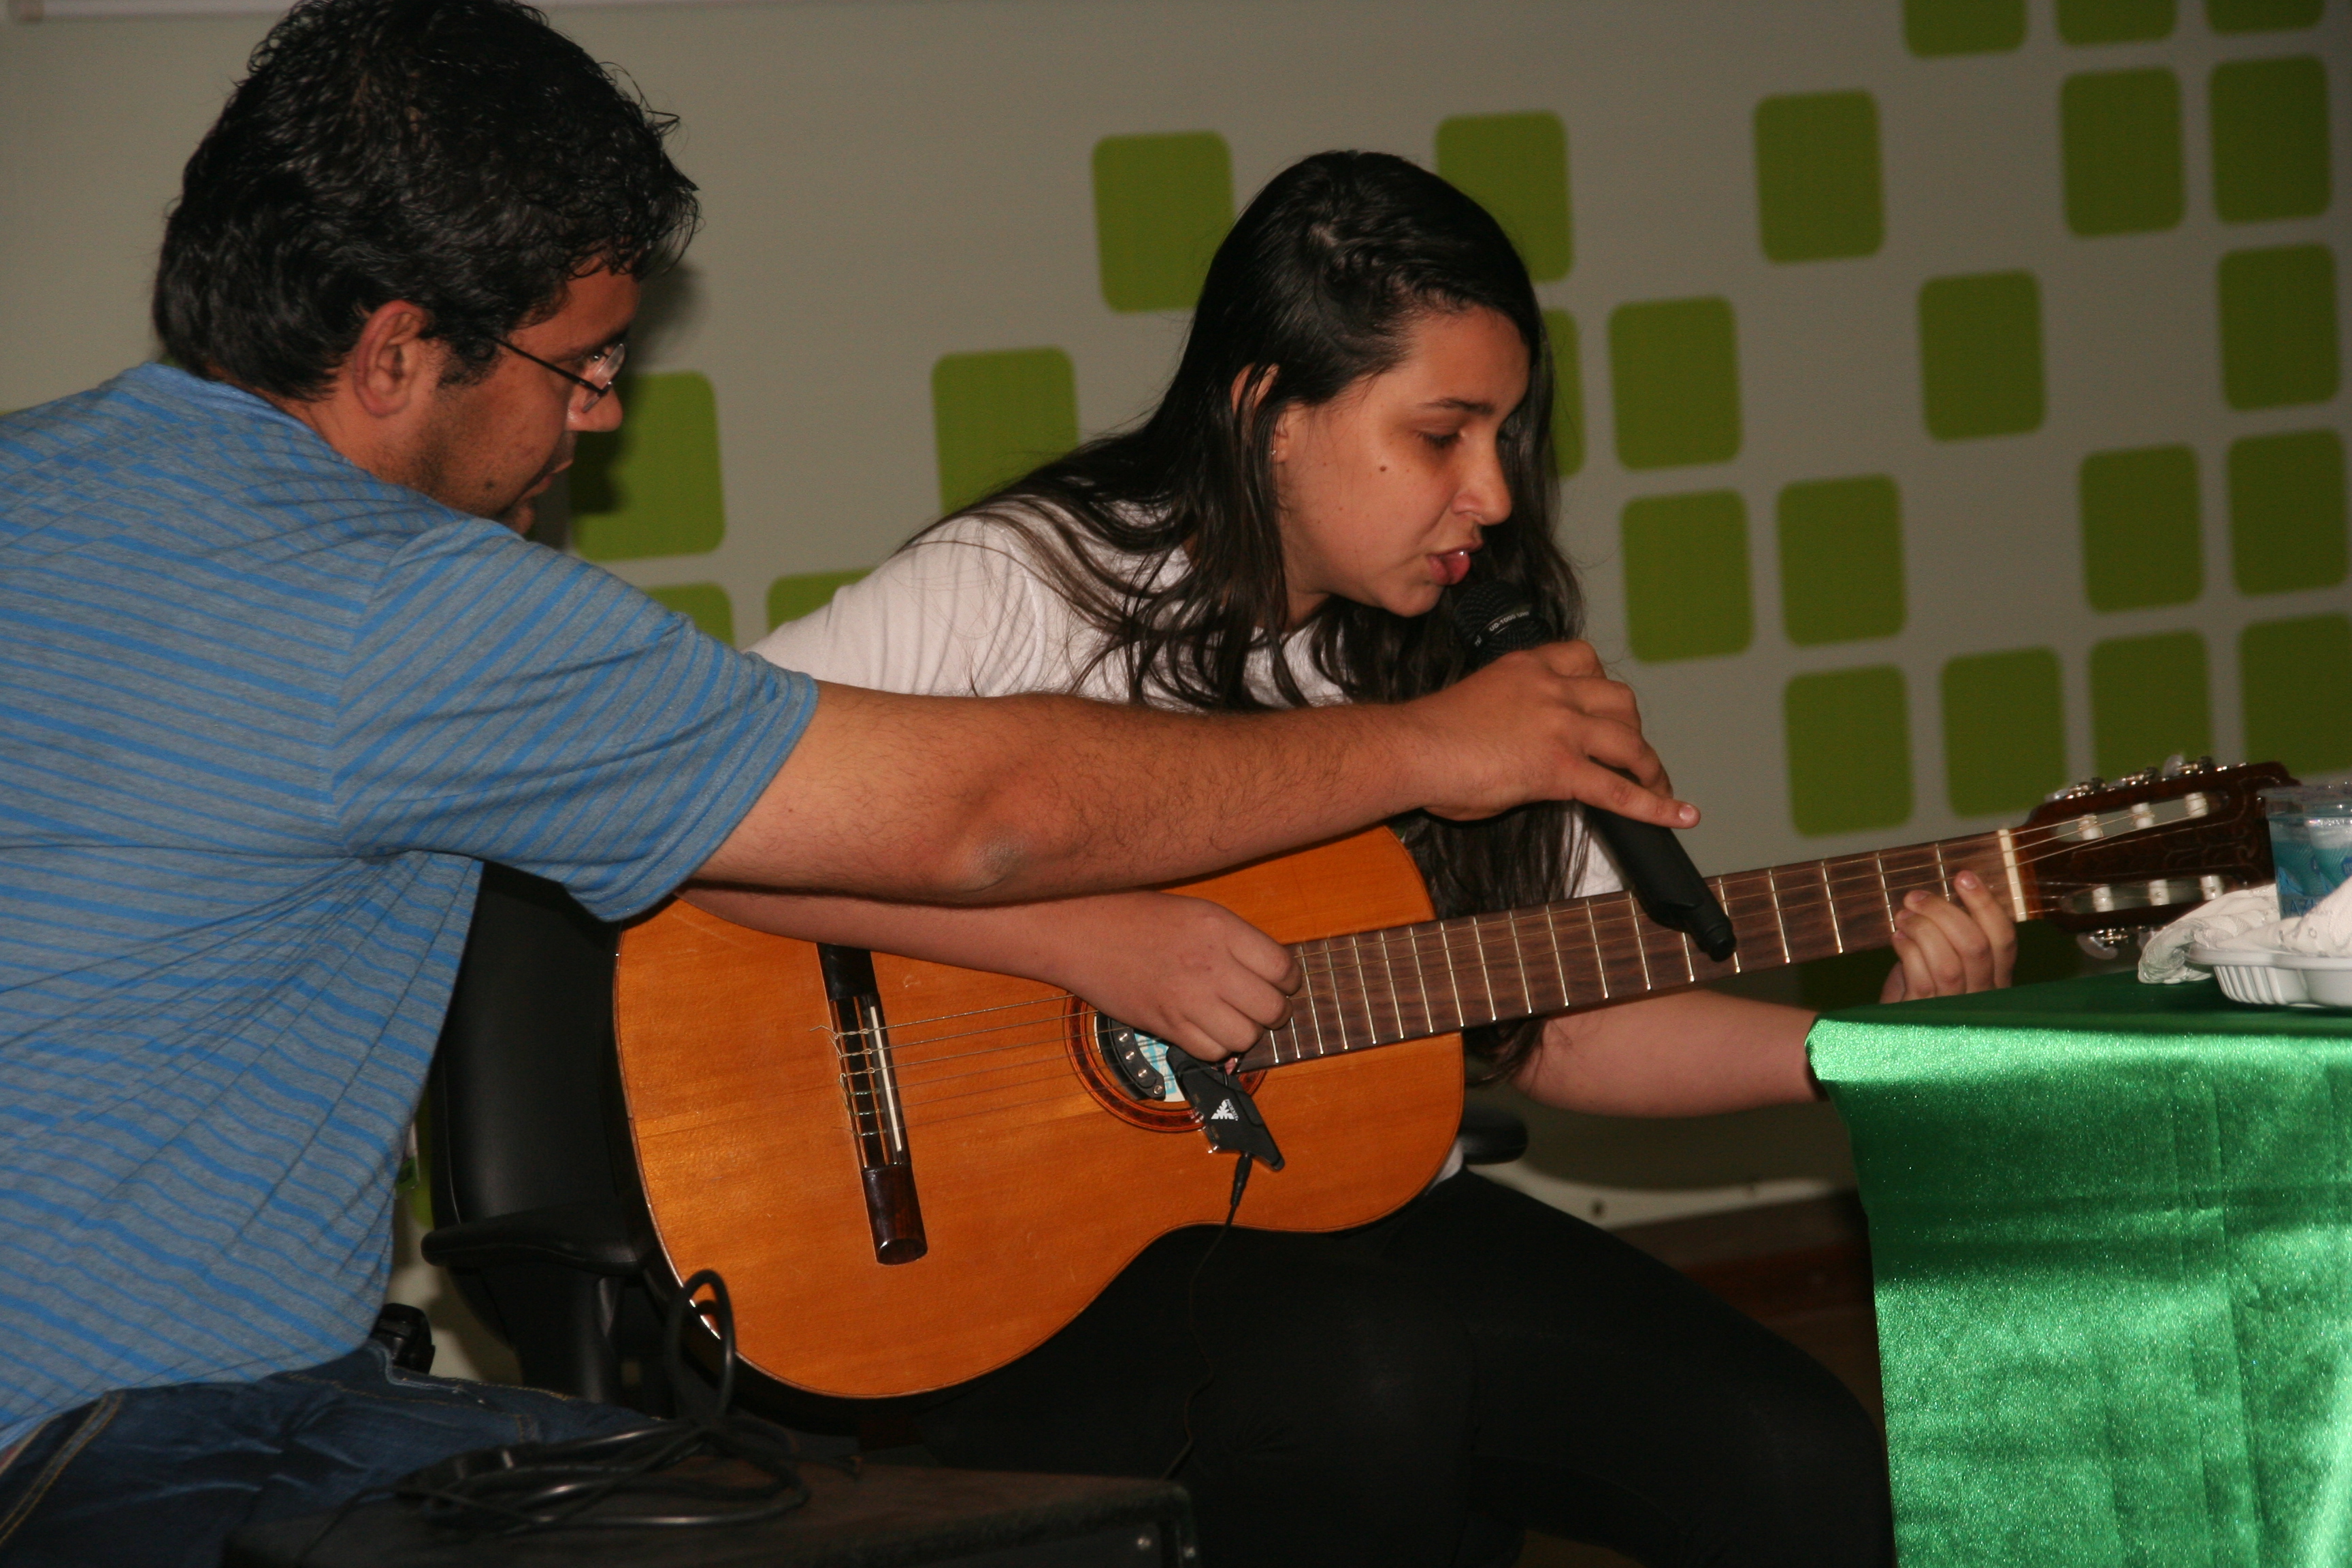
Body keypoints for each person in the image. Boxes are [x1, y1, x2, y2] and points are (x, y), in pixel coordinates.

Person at [0, 10, 1692, 1564]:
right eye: (582, 365)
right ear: (394, 352)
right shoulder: (417, 610)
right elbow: (986, 816)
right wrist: (1432, 746)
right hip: (123, 1441)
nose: (598, 420)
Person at [736, 152, 2020, 1568]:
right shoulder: (1024, 584)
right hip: (1006, 1254)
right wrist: (1078, 942)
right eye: (1442, 435)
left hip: (1362, 1212)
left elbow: (1563, 1028)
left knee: (1801, 1458)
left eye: (1506, 437)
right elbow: (687, 812)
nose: (1494, 494)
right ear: (1268, 415)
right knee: (1370, 1372)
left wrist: (1867, 1055)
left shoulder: (1473, 646)